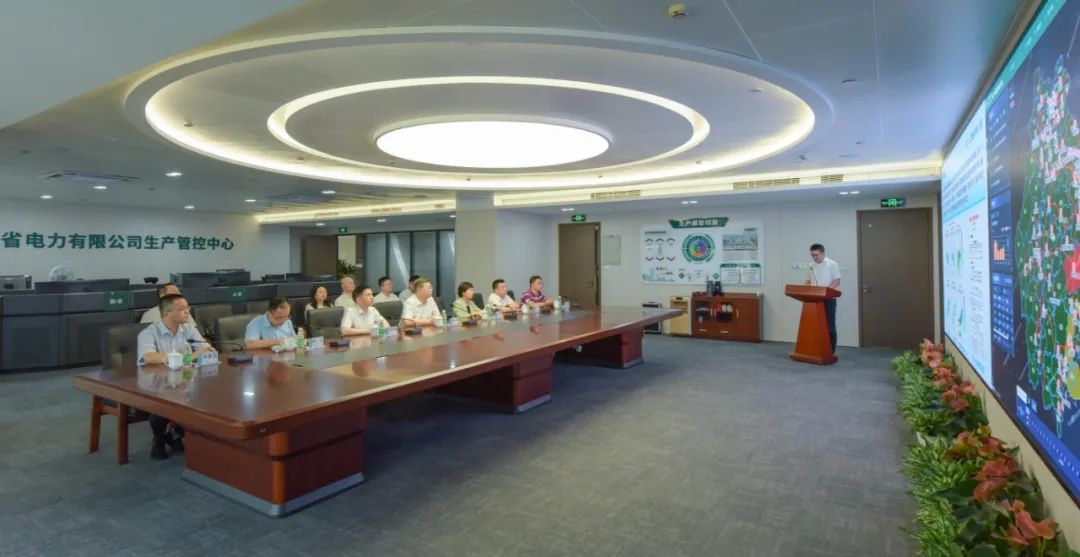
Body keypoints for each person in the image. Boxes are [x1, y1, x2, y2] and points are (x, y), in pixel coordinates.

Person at [136, 293, 215, 459]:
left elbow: (205, 348)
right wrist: (187, 357)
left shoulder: (188, 329)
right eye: (182, 309)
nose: (187, 312)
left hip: (185, 380)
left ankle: (179, 432)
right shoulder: (149, 333)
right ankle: (161, 437)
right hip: (157, 385)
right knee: (164, 404)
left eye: (187, 308)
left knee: (207, 397)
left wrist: (205, 351)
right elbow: (148, 357)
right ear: (168, 313)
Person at [809, 243, 842, 352]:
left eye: (816, 255)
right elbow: (808, 281)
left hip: (828, 300)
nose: (814, 257)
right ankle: (817, 349)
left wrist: (825, 292)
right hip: (814, 299)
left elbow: (836, 281)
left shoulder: (832, 264)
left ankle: (830, 351)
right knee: (816, 325)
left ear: (823, 253)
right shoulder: (811, 266)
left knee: (829, 325)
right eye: (812, 255)